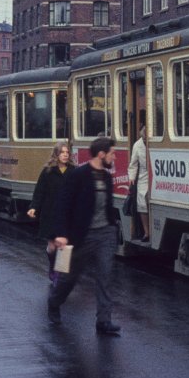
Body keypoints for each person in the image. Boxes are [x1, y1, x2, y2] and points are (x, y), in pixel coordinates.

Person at [47, 136, 122, 336]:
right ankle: (54, 302)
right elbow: (62, 205)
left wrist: (113, 227)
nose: (114, 157)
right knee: (70, 277)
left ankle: (104, 321)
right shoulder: (78, 175)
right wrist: (60, 234)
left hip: (105, 233)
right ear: (101, 154)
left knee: (105, 276)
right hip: (83, 235)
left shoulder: (106, 176)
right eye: (112, 153)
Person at [27, 141, 74, 283]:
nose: (65, 155)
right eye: (62, 153)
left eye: (67, 153)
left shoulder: (73, 171)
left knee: (64, 246)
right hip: (50, 213)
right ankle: (53, 267)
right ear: (56, 154)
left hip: (67, 214)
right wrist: (34, 206)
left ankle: (60, 275)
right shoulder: (48, 171)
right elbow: (39, 191)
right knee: (53, 246)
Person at [126, 126, 150, 242]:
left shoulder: (154, 141)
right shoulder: (137, 145)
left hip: (154, 174)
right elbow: (133, 164)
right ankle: (146, 232)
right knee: (142, 203)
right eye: (144, 133)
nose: (146, 135)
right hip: (143, 176)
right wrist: (131, 178)